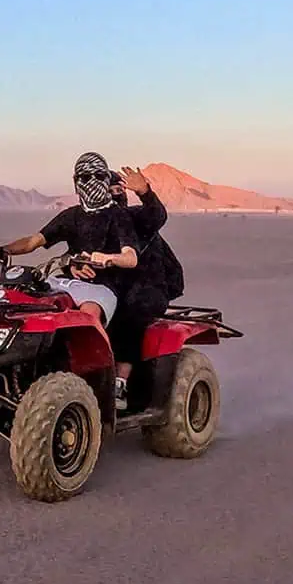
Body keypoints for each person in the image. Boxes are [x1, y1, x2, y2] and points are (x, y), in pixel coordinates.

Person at [0, 151, 139, 329]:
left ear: (106, 180)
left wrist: (107, 258)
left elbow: (131, 258)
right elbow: (33, 242)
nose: (92, 182)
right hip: (65, 281)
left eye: (99, 176)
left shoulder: (120, 216)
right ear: (76, 182)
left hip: (103, 287)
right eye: (85, 177)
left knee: (88, 319)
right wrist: (4, 249)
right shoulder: (70, 216)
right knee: (19, 301)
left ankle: (94, 347)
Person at [105, 166, 184, 407]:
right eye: (109, 191)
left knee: (128, 311)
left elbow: (156, 215)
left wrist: (145, 192)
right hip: (119, 287)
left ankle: (119, 383)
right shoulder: (94, 223)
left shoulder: (136, 217)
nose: (115, 195)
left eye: (118, 190)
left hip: (152, 286)